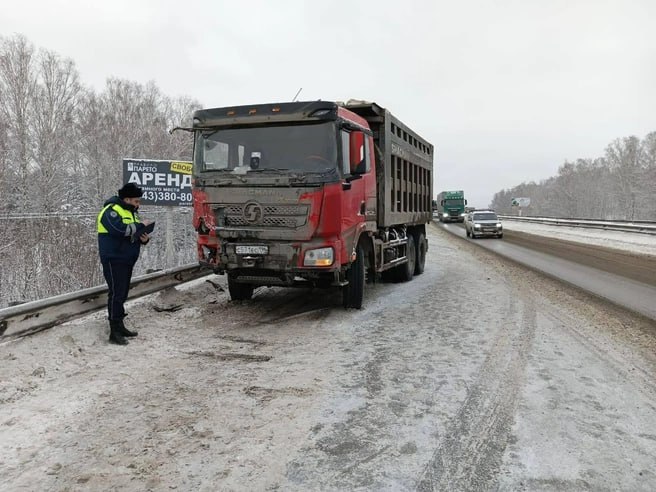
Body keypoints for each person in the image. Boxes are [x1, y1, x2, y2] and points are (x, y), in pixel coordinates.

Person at [97, 183, 152, 345]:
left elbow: (132, 234)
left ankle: (120, 326)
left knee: (122, 294)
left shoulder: (131, 213)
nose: (138, 204)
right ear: (126, 199)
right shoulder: (110, 211)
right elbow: (119, 230)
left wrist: (144, 238)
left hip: (127, 259)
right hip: (114, 259)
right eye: (136, 201)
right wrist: (141, 226)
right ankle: (114, 332)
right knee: (116, 294)